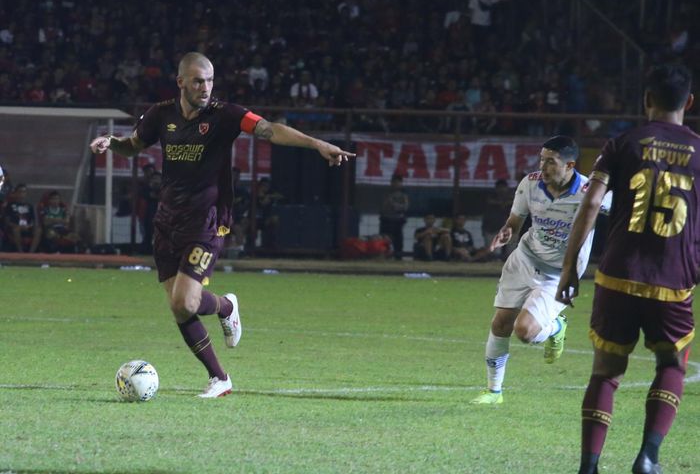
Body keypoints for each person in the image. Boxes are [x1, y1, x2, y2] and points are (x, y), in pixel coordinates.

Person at [90, 52, 354, 398]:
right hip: (168, 220)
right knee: (178, 305)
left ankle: (226, 316)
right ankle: (221, 371)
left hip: (207, 219)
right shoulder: (161, 114)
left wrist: (316, 143)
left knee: (185, 302)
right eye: (198, 80)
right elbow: (133, 146)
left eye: (210, 80)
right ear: (181, 81)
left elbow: (270, 130)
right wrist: (112, 143)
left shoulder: (225, 115)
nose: (205, 87)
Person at [555, 63, 698, 474]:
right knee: (671, 365)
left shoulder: (622, 143)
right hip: (673, 278)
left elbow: (593, 203)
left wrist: (568, 268)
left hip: (617, 274)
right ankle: (649, 456)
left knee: (606, 373)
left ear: (646, 100)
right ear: (688, 103)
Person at [470, 136, 610, 405]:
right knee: (500, 323)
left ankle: (556, 327)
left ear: (570, 165)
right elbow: (516, 219)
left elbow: (624, 213)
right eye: (541, 159)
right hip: (524, 258)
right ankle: (493, 391)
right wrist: (507, 230)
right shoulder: (530, 183)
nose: (543, 167)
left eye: (550, 162)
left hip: (560, 273)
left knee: (524, 331)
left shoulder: (590, 191)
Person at [4, 184, 42, 253]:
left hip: (27, 227)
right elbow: (7, 221)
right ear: (15, 193)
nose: (22, 194)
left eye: (24, 192)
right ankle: (20, 252)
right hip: (15, 227)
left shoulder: (30, 206)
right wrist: (17, 226)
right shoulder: (10, 205)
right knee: (16, 230)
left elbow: (33, 221)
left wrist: (28, 226)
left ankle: (31, 252)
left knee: (38, 230)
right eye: (20, 192)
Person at [379, 173, 409, 260]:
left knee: (398, 243)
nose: (396, 184)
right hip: (386, 220)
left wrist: (393, 204)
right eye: (394, 182)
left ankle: (398, 258)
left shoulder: (404, 194)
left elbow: (405, 207)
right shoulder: (386, 193)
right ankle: (383, 258)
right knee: (384, 241)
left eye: (398, 182)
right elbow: (382, 207)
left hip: (398, 221)